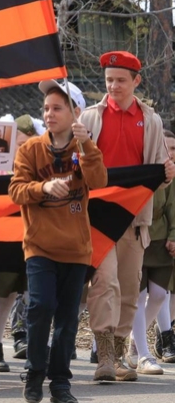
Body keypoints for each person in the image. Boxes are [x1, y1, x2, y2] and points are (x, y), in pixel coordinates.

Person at [79, 51, 175, 382]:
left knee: (130, 289)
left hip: (135, 220)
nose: (114, 86)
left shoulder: (151, 120)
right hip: (97, 219)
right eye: (109, 80)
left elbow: (160, 170)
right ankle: (104, 356)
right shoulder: (90, 117)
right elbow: (77, 164)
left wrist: (167, 172)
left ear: (136, 81)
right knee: (104, 283)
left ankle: (120, 354)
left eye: (121, 80)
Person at [10, 83, 107, 403]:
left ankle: (61, 383)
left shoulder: (84, 147)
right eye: (46, 108)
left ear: (75, 113)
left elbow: (99, 181)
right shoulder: (30, 149)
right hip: (39, 246)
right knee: (40, 307)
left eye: (57, 108)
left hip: (76, 249)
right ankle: (34, 372)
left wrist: (87, 144)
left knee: (67, 319)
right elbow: (15, 191)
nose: (49, 114)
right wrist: (44, 187)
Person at [0, 113, 46, 372]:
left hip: (33, 238)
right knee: (5, 296)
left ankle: (35, 350)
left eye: (29, 144)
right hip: (5, 240)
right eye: (19, 144)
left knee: (35, 296)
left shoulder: (40, 168)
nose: (24, 149)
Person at [126, 129, 175, 374]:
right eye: (165, 147)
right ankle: (143, 354)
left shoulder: (170, 176)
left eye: (173, 149)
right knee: (138, 296)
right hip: (137, 236)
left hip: (159, 241)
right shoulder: (140, 169)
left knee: (158, 295)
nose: (169, 153)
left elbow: (172, 207)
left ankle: (134, 340)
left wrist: (173, 235)